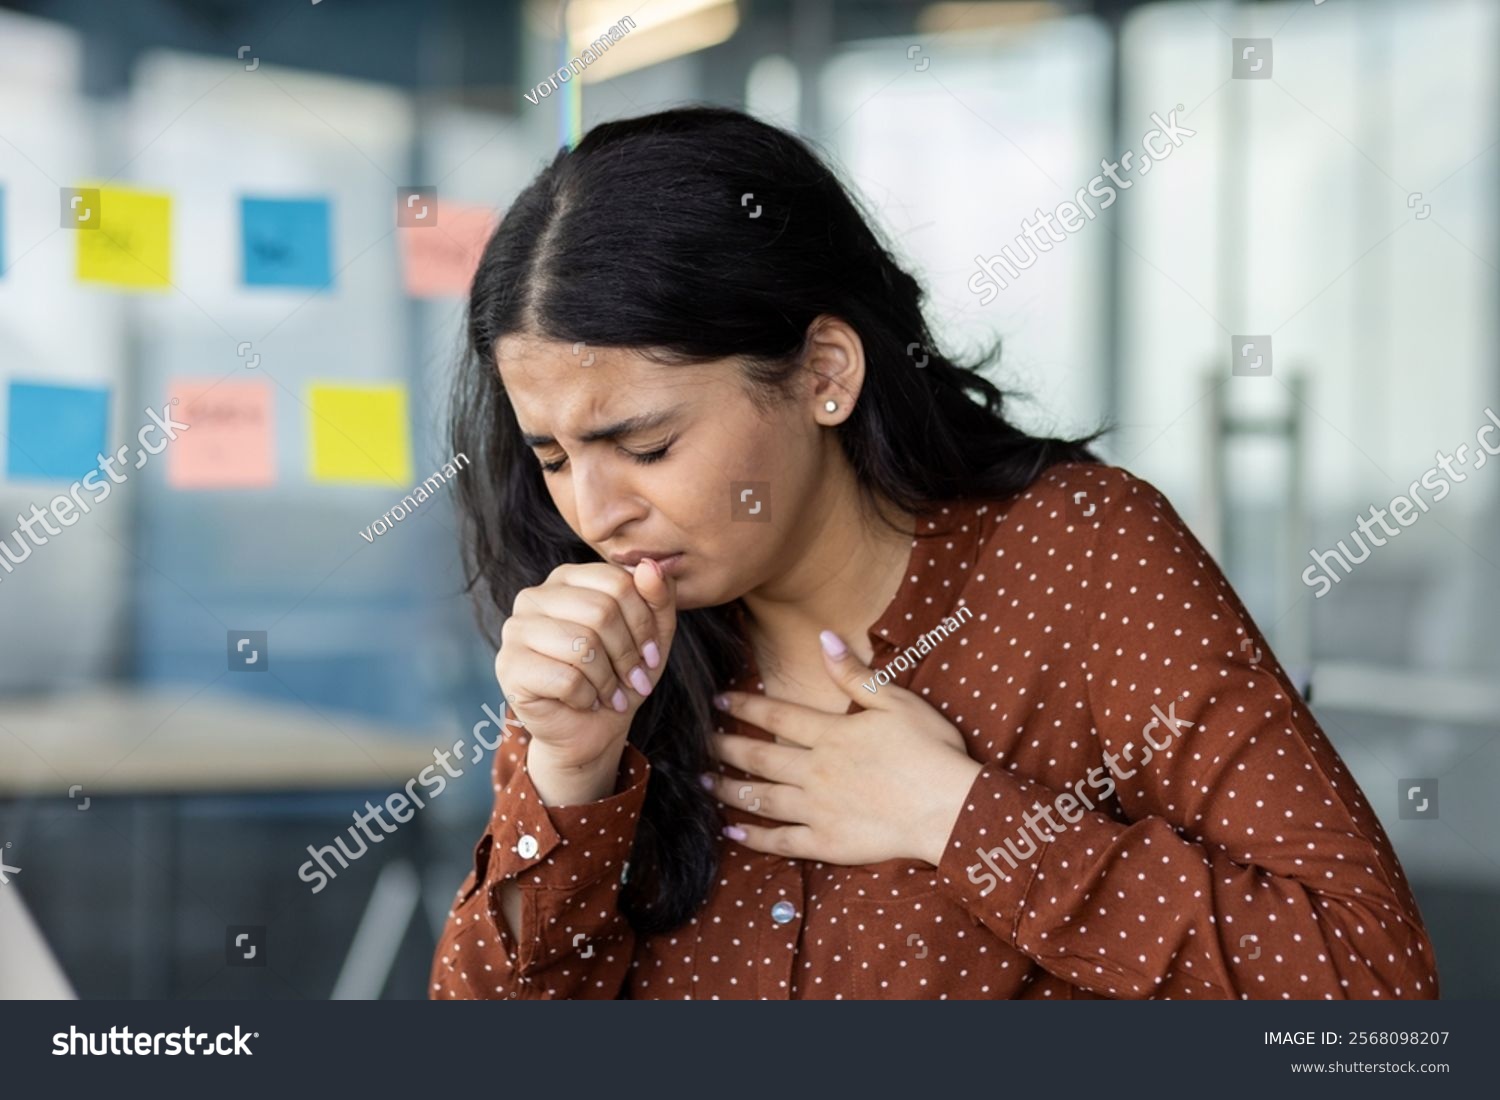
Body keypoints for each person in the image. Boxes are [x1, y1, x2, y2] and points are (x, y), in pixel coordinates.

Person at [431, 105, 1438, 1000]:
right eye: (552, 454)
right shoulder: (605, 649)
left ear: (824, 373)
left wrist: (960, 815)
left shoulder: (1076, 557)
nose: (595, 510)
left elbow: (1371, 979)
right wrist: (567, 770)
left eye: (648, 445)